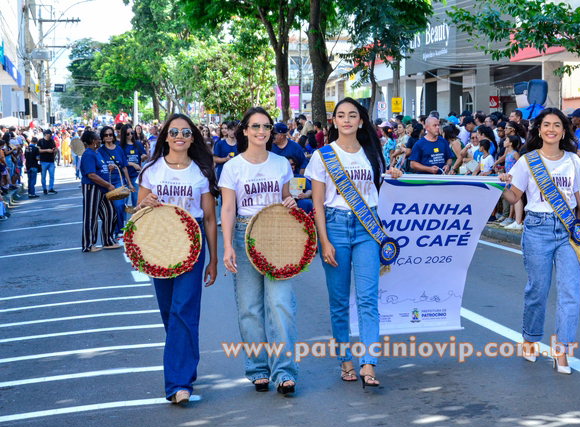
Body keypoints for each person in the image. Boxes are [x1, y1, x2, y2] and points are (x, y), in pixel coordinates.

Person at [499, 108, 580, 375]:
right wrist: (501, 184)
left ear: (563, 130)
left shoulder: (573, 161)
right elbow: (514, 198)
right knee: (538, 290)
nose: (551, 129)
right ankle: (530, 339)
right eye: (546, 125)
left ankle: (562, 351)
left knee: (570, 292)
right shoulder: (528, 161)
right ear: (538, 130)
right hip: (537, 227)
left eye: (556, 125)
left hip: (569, 230)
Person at [307, 97, 401, 388]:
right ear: (334, 121)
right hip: (334, 226)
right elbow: (318, 203)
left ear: (361, 121)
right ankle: (345, 359)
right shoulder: (323, 155)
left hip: (367, 229)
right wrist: (323, 240)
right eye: (340, 115)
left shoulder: (372, 154)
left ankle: (369, 364)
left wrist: (395, 176)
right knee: (338, 301)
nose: (346, 119)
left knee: (367, 299)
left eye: (352, 115)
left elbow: (379, 191)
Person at [136, 114, 219, 404]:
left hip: (192, 243)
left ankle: (178, 384)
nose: (179, 135)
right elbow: (137, 213)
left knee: (184, 309)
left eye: (185, 131)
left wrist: (213, 259)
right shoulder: (151, 171)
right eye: (174, 131)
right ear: (166, 136)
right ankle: (184, 366)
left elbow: (209, 218)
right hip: (158, 243)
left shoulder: (202, 172)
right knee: (170, 312)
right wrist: (142, 204)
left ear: (193, 137)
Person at [220, 107, 299, 395]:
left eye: (266, 127)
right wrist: (228, 245)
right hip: (243, 234)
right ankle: (258, 369)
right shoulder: (232, 167)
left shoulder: (280, 164)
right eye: (255, 126)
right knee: (250, 308)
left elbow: (287, 197)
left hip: (277, 234)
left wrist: (290, 201)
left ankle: (285, 372)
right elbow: (227, 208)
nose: (261, 132)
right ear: (244, 131)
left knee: (280, 305)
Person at [78, 129, 119, 253]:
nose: (100, 140)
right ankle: (88, 244)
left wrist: (108, 168)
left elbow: (99, 169)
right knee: (91, 216)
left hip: (102, 188)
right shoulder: (88, 154)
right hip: (92, 187)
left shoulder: (96, 153)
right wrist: (108, 185)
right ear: (93, 141)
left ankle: (107, 241)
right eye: (98, 138)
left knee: (111, 213)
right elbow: (91, 175)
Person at [97, 126, 132, 236]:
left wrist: (130, 184)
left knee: (119, 205)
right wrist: (107, 167)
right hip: (105, 181)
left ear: (113, 136)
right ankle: (111, 230)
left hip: (118, 181)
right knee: (109, 208)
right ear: (102, 137)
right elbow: (98, 166)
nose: (108, 137)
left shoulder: (119, 149)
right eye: (106, 135)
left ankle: (120, 230)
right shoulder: (100, 151)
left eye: (110, 134)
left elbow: (124, 167)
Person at [118, 124, 148, 206]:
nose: (130, 135)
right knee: (124, 202)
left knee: (136, 200)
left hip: (135, 175)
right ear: (124, 134)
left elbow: (144, 156)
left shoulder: (137, 144)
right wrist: (133, 164)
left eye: (132, 133)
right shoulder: (120, 146)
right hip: (123, 176)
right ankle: (123, 219)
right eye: (128, 134)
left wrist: (143, 157)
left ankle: (136, 218)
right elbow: (120, 162)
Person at [38, 129, 57, 194]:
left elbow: (55, 148)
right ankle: (44, 188)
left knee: (52, 175)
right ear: (46, 134)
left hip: (51, 160)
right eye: (50, 134)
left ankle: (51, 188)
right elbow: (39, 150)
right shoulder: (40, 141)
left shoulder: (52, 141)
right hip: (43, 161)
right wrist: (46, 150)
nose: (51, 135)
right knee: (43, 176)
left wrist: (54, 150)